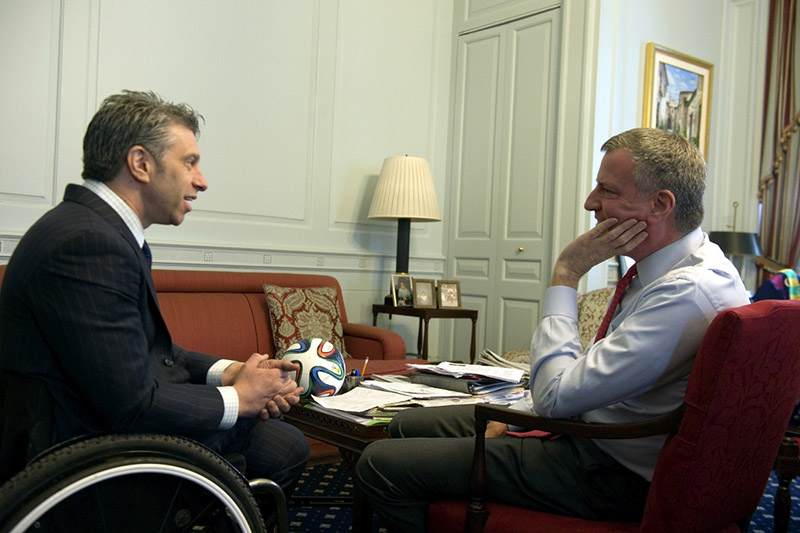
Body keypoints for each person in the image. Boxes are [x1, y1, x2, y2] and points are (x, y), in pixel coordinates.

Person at [355, 128, 750, 530]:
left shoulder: (685, 292)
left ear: (660, 203)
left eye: (607, 190)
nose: (590, 202)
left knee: (379, 465)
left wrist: (566, 274)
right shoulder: (679, 270)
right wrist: (518, 418)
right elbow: (572, 390)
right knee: (406, 423)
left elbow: (553, 397)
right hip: (595, 428)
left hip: (611, 469)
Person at [0, 91, 310, 490]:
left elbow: (153, 352)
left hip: (89, 424)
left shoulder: (97, 230)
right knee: (282, 446)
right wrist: (241, 398)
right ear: (141, 164)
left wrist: (230, 372)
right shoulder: (89, 244)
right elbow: (131, 405)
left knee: (277, 433)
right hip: (77, 452)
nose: (202, 180)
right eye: (190, 162)